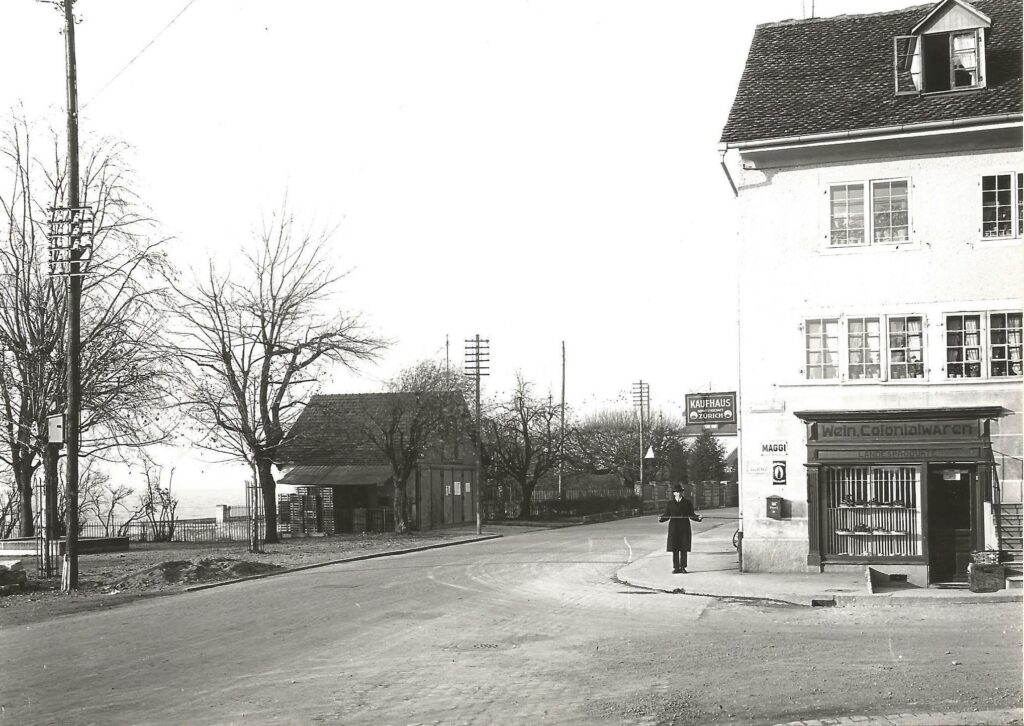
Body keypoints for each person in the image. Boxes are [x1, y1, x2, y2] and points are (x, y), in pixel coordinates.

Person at [659, 485, 703, 574]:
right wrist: (661, 518)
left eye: (680, 492)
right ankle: (676, 568)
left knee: (683, 547)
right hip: (674, 528)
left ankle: (683, 567)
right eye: (676, 492)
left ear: (682, 493)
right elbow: (666, 515)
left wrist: (698, 518)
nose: (678, 493)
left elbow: (691, 514)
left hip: (684, 527)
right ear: (674, 493)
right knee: (675, 548)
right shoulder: (670, 504)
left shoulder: (687, 503)